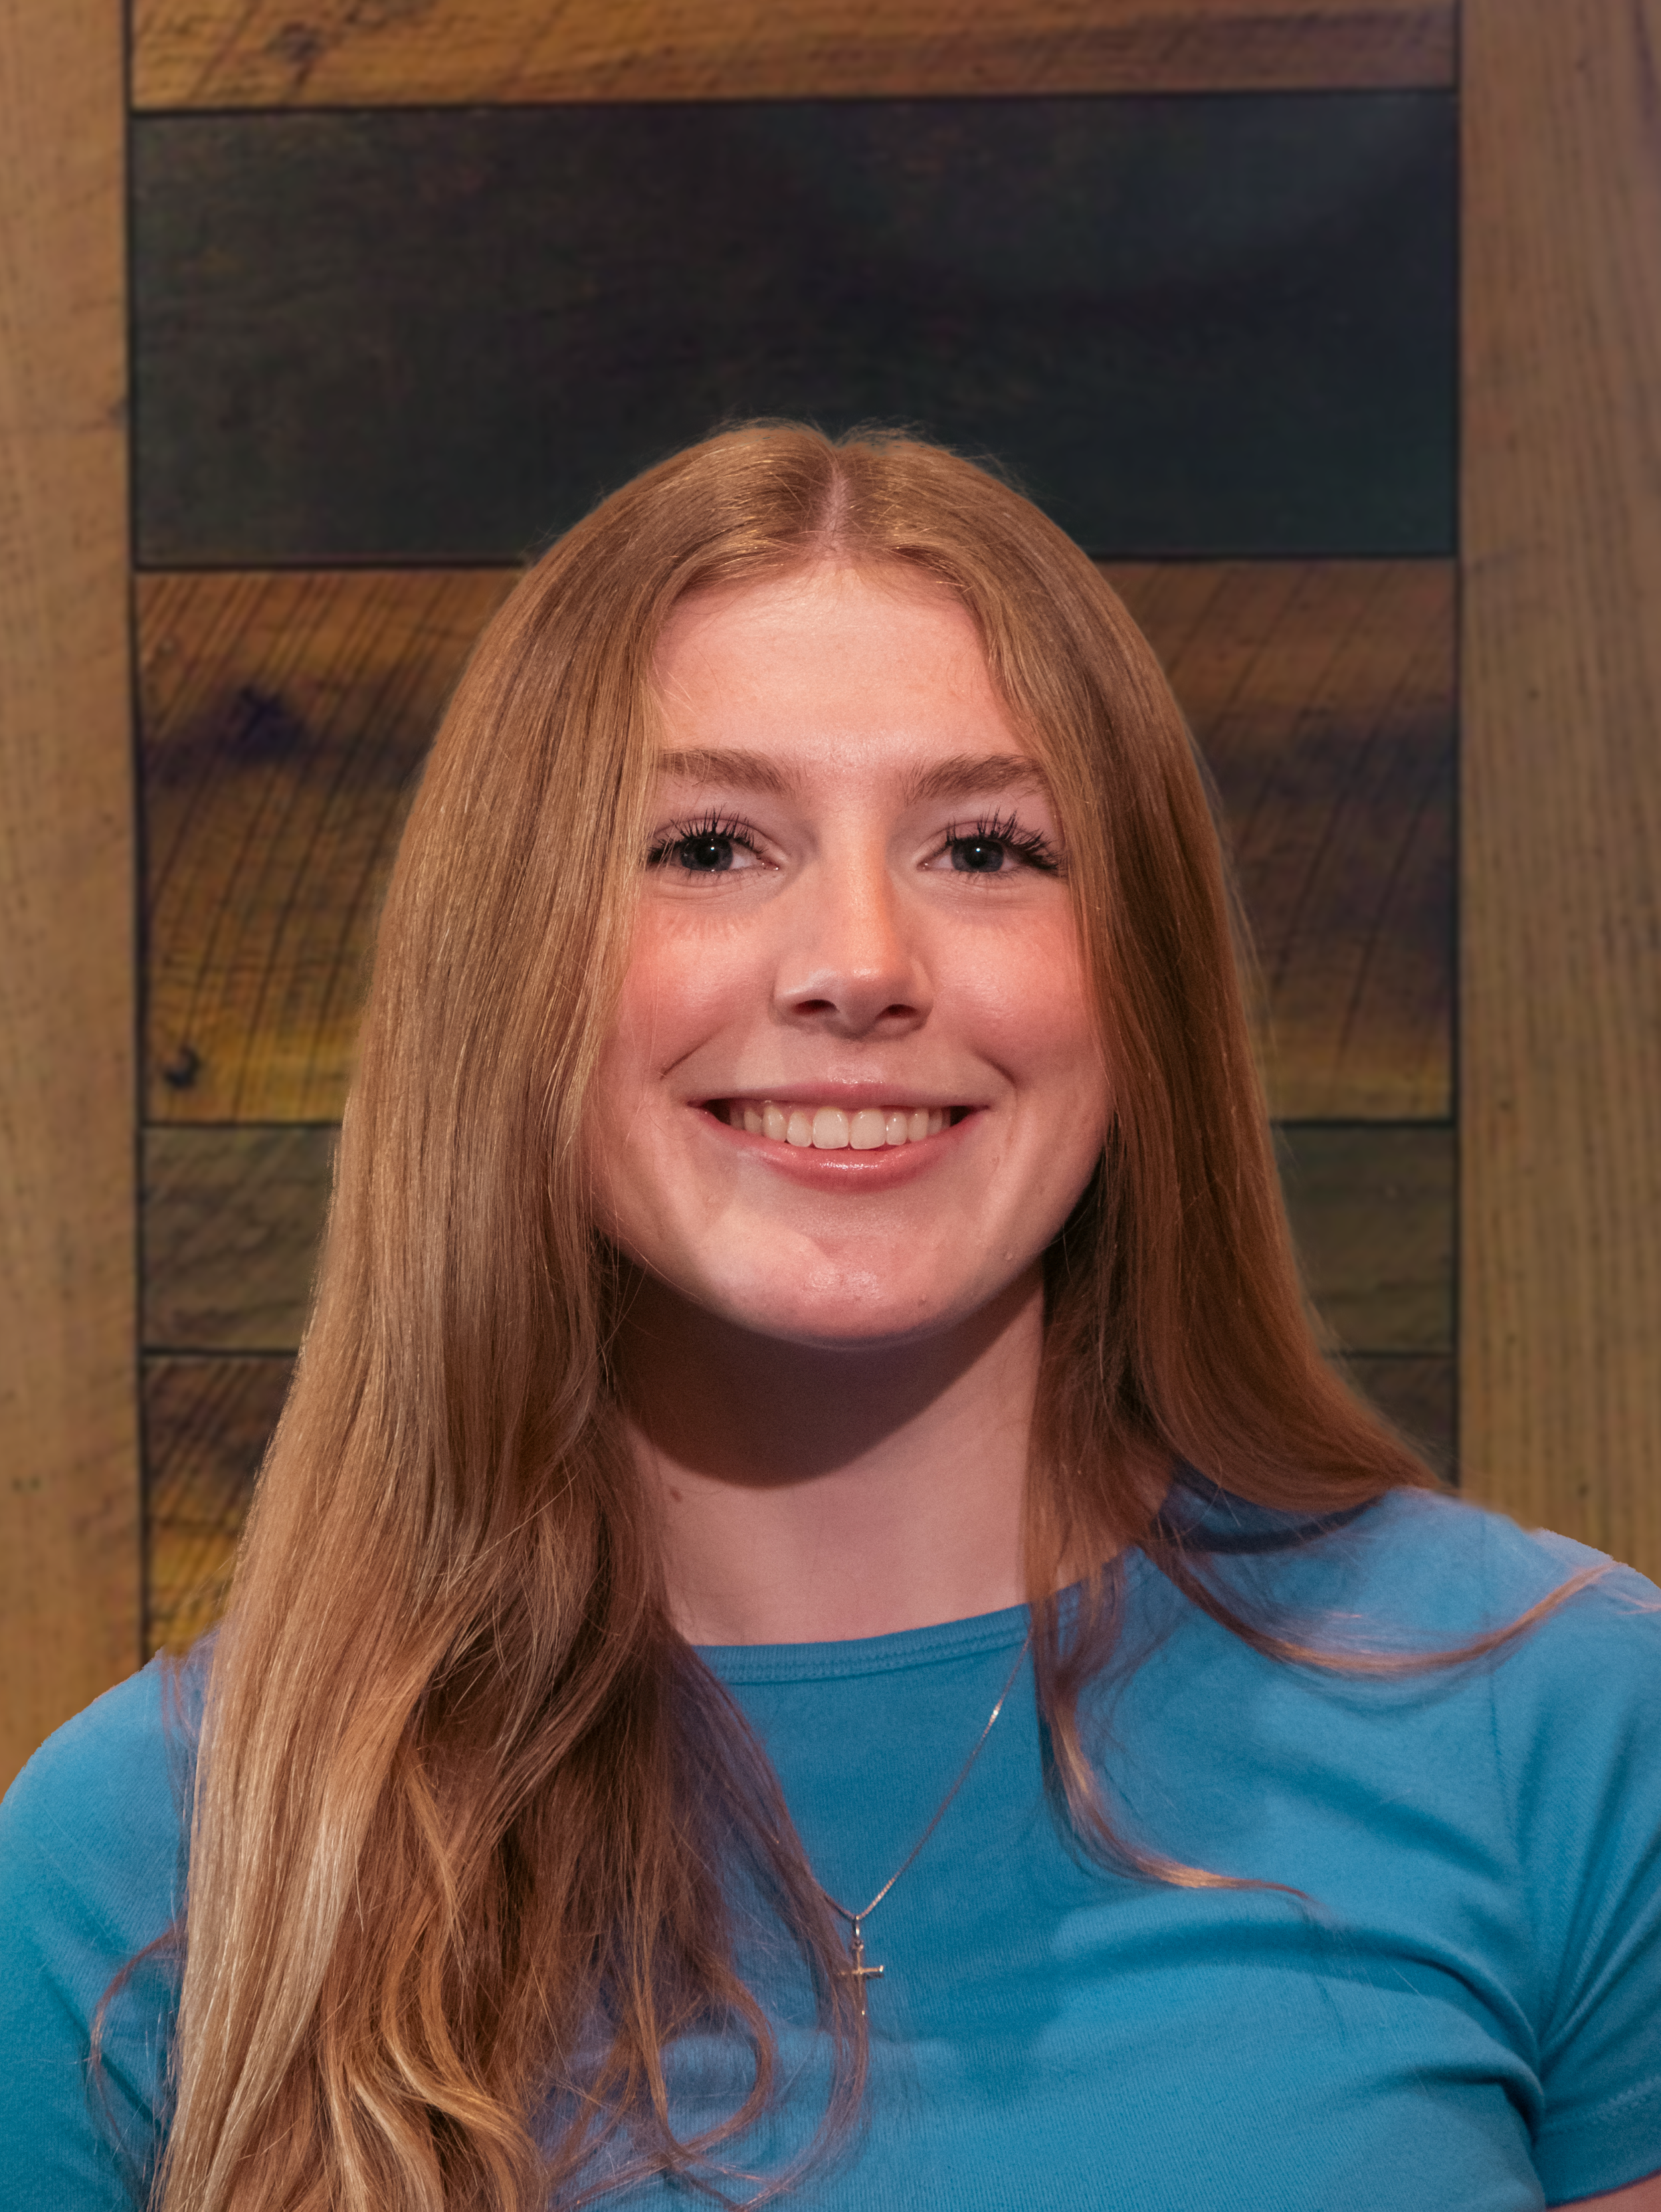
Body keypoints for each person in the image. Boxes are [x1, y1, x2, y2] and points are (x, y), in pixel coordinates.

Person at [3, 425, 1659, 2212]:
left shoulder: (1562, 1727)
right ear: (512, 965)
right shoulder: (152, 1858)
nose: (860, 961)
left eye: (986, 847)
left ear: (1142, 977)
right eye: (708, 844)